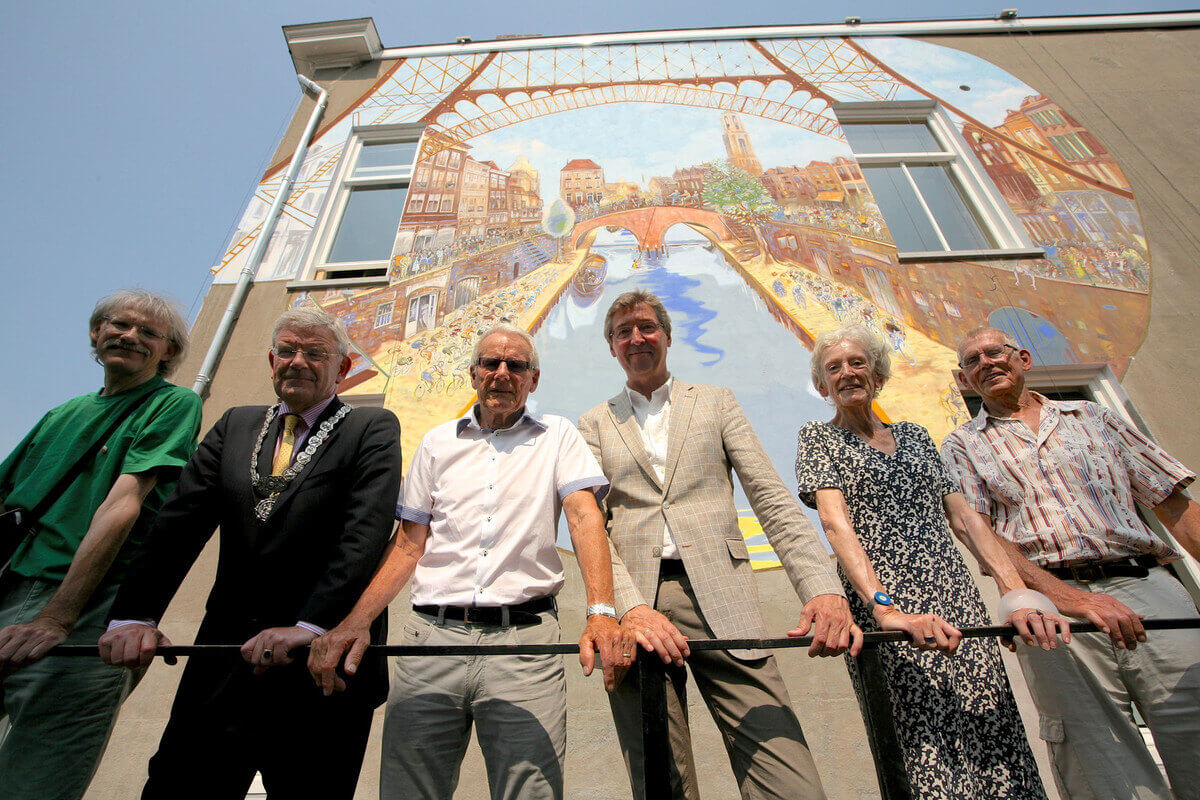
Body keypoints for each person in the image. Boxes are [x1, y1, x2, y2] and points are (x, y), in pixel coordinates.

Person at [308, 322, 632, 800]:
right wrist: (356, 620)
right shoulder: (438, 443)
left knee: (530, 792)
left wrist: (601, 611)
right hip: (431, 642)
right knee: (408, 792)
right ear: (474, 374)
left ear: (533, 379)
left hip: (524, 645)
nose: (502, 373)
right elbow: (408, 544)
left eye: (515, 365)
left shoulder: (558, 435)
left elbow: (586, 520)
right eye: (490, 363)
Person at [98, 308, 402, 799]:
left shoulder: (371, 428)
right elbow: (177, 526)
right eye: (287, 350)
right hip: (225, 658)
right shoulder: (235, 426)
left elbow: (363, 534)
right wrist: (132, 616)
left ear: (342, 368)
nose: (297, 362)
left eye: (315, 353)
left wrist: (308, 627)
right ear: (271, 360)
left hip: (322, 666)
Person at [577, 290, 861, 800]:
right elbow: (591, 528)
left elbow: (771, 499)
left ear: (666, 335)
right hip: (637, 607)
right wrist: (629, 606)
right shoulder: (594, 423)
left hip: (723, 592)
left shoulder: (715, 401)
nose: (636, 338)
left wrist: (820, 586)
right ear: (612, 348)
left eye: (646, 327)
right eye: (623, 332)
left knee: (787, 775)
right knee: (659, 775)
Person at [795, 324, 1064, 799]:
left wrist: (1014, 592)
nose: (847, 373)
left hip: (955, 594)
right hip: (886, 605)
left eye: (857, 362)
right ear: (821, 387)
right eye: (833, 368)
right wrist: (884, 609)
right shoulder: (818, 438)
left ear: (877, 375)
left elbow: (965, 519)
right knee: (923, 743)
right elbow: (837, 527)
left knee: (991, 721)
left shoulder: (917, 437)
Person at [942, 325, 1200, 800]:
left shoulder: (1094, 416)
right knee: (1093, 750)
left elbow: (1172, 505)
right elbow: (982, 537)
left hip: (1148, 586)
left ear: (1022, 358)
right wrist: (1070, 599)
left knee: (1194, 718)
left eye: (994, 352)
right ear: (964, 379)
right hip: (1050, 605)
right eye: (973, 361)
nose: (986, 364)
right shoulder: (962, 445)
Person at [0, 290, 201, 800]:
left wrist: (57, 618)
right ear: (96, 333)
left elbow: (121, 507)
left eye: (148, 333)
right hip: (12, 589)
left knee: (38, 777)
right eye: (119, 324)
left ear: (168, 353)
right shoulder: (59, 415)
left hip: (86, 605)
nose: (129, 336)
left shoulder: (171, 403)